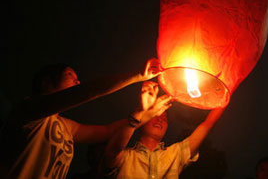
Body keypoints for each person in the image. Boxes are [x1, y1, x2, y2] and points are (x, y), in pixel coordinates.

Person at [0, 58, 161, 179]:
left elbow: (108, 131)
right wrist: (137, 75)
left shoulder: (66, 127)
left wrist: (146, 112)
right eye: (69, 74)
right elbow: (87, 91)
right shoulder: (28, 111)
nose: (77, 80)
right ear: (46, 82)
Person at [103, 80, 225, 179]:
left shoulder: (175, 154)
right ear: (144, 120)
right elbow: (111, 153)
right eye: (156, 115)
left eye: (165, 119)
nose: (160, 120)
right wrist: (141, 112)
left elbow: (207, 125)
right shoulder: (126, 157)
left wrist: (225, 94)